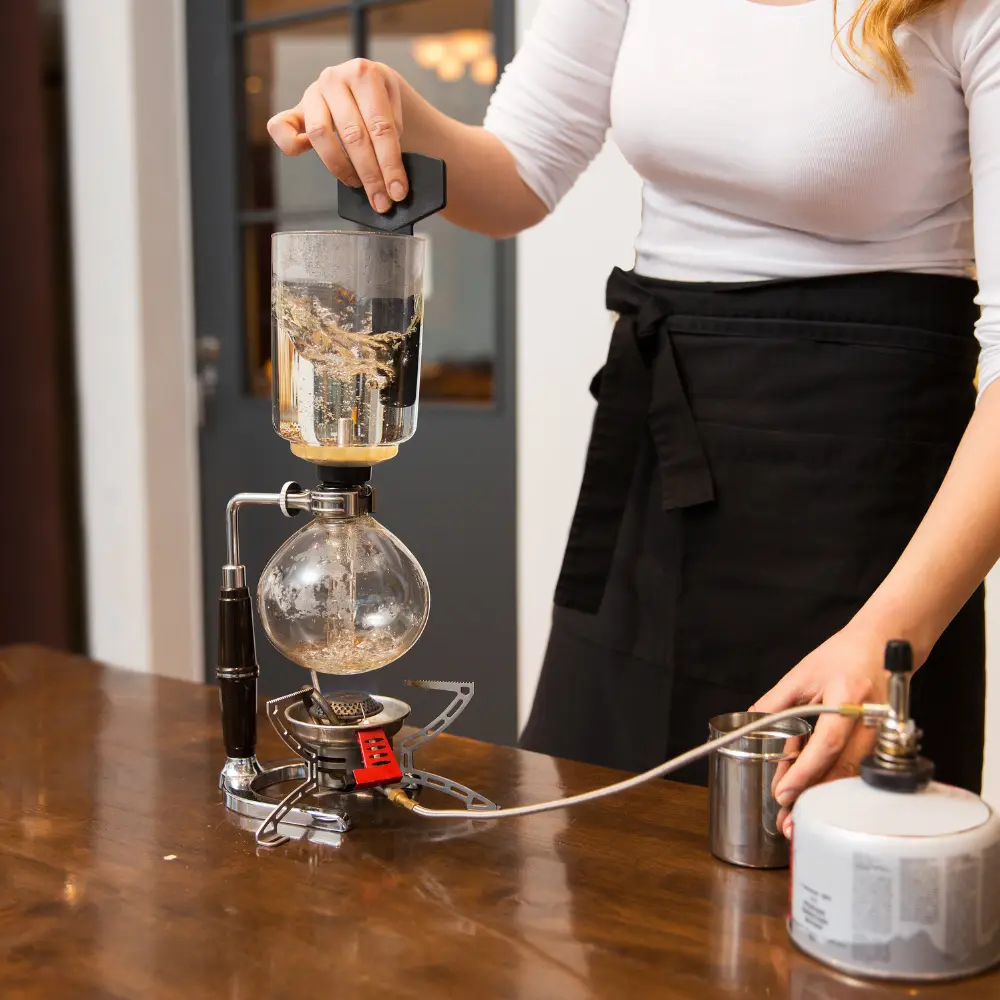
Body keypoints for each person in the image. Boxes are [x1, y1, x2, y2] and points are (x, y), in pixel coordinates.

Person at [268, 0, 1000, 834]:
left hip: (867, 499)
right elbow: (515, 175)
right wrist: (392, 110)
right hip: (659, 460)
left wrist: (887, 641)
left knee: (827, 861)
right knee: (600, 836)